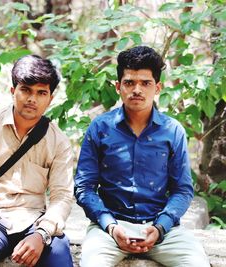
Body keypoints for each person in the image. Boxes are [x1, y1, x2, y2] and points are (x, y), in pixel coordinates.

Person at [74, 46, 209, 267]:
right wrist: (111, 226)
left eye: (145, 83)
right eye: (129, 82)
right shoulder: (100, 128)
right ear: (118, 87)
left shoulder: (172, 130)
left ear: (157, 88)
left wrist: (159, 227)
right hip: (110, 228)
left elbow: (182, 190)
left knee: (197, 263)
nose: (137, 89)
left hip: (162, 229)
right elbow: (84, 187)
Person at [0, 55, 74, 267]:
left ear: (50, 99)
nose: (32, 99)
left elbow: (62, 196)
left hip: (34, 222)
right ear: (13, 91)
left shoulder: (59, 142)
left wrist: (43, 234)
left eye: (41, 93)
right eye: (26, 90)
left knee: (60, 257)